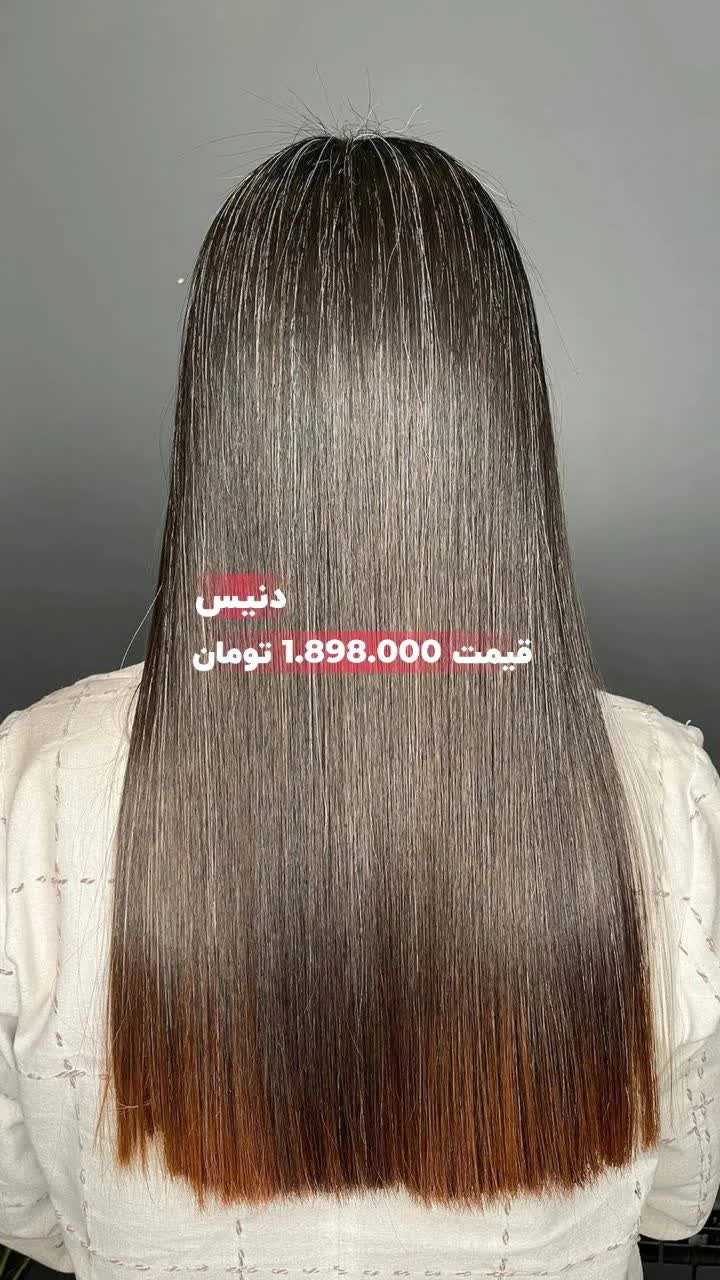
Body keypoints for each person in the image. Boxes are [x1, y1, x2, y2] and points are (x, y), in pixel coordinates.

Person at [1, 131, 719, 1280]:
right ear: (501, 412)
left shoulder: (31, 784)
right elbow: (679, 1197)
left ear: (222, 409)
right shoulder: (664, 788)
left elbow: (24, 1204)